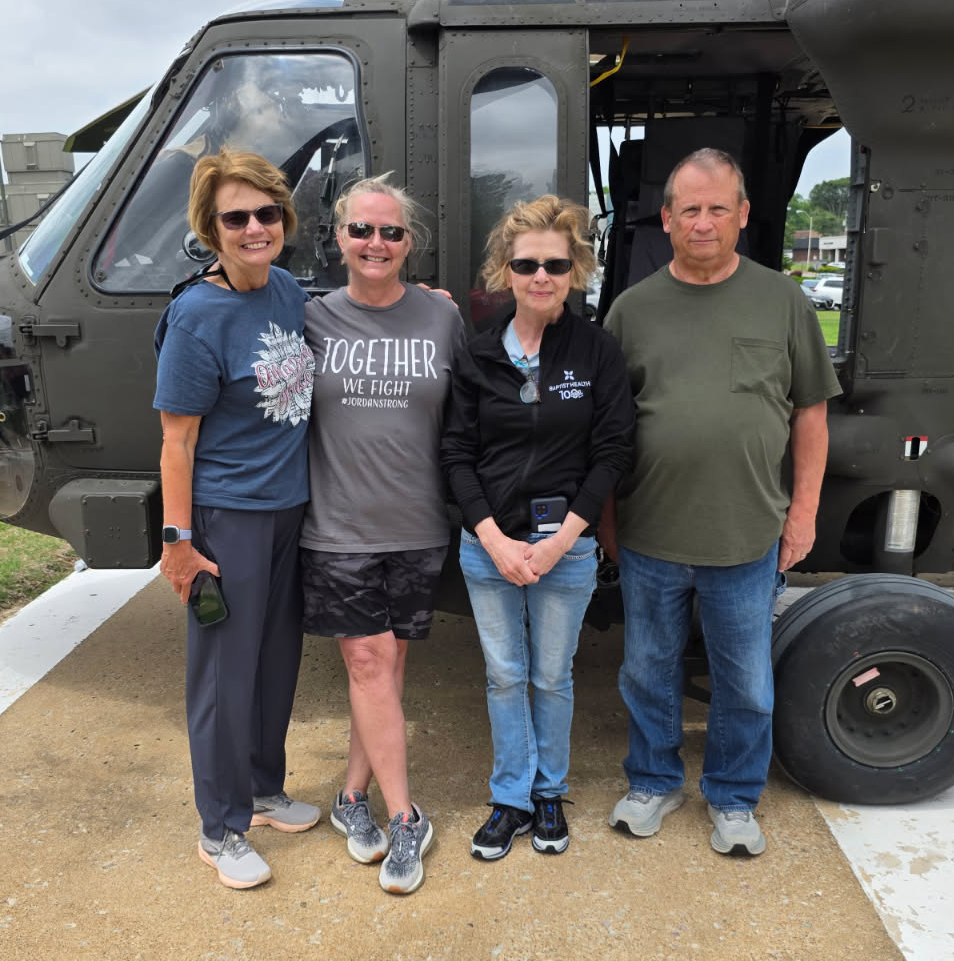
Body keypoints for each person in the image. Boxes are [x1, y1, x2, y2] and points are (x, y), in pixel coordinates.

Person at [603, 147, 840, 857]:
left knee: (746, 682)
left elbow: (810, 417)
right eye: (688, 209)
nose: (702, 222)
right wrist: (610, 522)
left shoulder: (782, 300)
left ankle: (734, 798)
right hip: (649, 535)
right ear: (666, 218)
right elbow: (608, 430)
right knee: (647, 669)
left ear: (741, 215)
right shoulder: (631, 310)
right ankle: (652, 781)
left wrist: (802, 514)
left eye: (717, 208)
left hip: (747, 537)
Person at [441, 196, 635, 862]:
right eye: (527, 264)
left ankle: (550, 791)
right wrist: (493, 538)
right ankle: (510, 799)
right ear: (505, 269)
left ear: (576, 268)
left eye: (556, 263)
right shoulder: (476, 354)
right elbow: (456, 456)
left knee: (551, 676)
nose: (541, 276)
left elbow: (612, 452)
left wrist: (560, 541)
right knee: (503, 674)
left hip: (567, 548)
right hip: (487, 546)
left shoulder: (597, 351)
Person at [154, 148, 319, 890]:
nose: (255, 227)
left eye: (267, 213)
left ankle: (261, 791)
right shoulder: (196, 315)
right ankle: (218, 827)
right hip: (229, 516)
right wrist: (179, 543)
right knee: (224, 676)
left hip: (290, 510)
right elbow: (177, 440)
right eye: (236, 217)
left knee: (276, 663)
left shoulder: (284, 289)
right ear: (211, 229)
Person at [299, 175, 465, 896]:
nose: (376, 243)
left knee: (386, 675)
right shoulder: (309, 319)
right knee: (367, 666)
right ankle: (406, 818)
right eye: (362, 230)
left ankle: (347, 798)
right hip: (337, 529)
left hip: (419, 524)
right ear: (338, 238)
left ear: (409, 244)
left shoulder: (442, 319)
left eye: (391, 232)